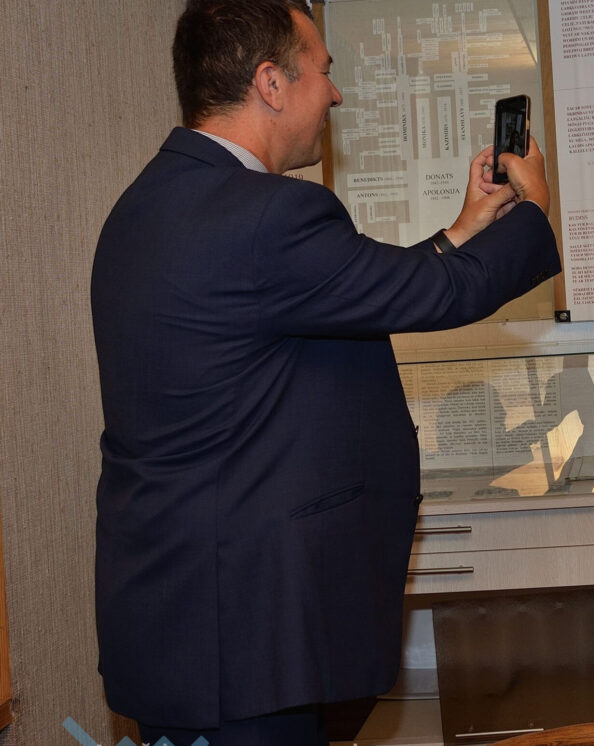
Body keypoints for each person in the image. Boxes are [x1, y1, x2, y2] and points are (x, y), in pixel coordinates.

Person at [90, 1, 561, 744]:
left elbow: (349, 291)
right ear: (271, 83)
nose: (335, 95)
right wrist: (535, 207)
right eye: (323, 71)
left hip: (176, 617)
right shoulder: (268, 216)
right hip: (247, 635)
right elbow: (438, 295)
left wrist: (464, 229)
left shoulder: (146, 205)